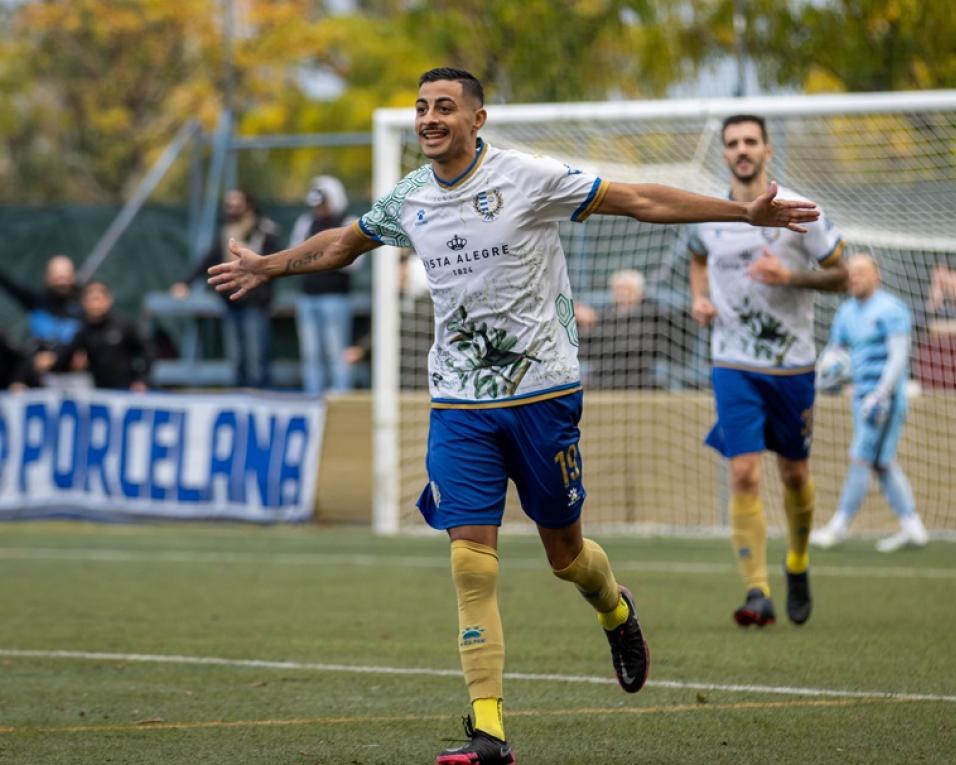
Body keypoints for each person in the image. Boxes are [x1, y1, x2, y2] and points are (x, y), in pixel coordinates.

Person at [208, 69, 820, 765]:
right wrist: (269, 265)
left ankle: (615, 609)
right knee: (471, 563)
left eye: (445, 107)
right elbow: (344, 244)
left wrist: (742, 213)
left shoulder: (528, 176)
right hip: (460, 403)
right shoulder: (410, 198)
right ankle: (489, 731)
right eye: (421, 108)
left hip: (543, 395)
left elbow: (641, 198)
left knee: (567, 557)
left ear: (478, 118)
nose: (429, 118)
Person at [688, 114, 847, 629]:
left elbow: (843, 276)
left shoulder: (803, 209)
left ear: (767, 149)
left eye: (750, 141)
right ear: (725, 153)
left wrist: (792, 276)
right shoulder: (711, 215)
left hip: (793, 366)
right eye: (732, 143)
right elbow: (697, 258)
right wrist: (700, 298)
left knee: (794, 472)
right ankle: (757, 590)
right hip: (733, 363)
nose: (741, 150)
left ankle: (797, 561)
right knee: (743, 471)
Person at [811, 253, 929, 553]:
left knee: (861, 458)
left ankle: (838, 527)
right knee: (882, 463)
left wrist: (881, 393)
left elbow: (899, 357)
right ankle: (913, 527)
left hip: (885, 400)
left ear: (877, 275)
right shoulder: (846, 313)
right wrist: (825, 374)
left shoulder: (891, 309)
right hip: (860, 398)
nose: (855, 277)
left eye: (861, 272)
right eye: (851, 272)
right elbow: (836, 352)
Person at [171, 189, 279, 388]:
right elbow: (208, 260)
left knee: (257, 357)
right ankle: (240, 397)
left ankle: (261, 398)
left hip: (255, 302)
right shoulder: (226, 232)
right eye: (228, 205)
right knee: (236, 357)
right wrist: (185, 282)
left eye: (236, 204)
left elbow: (275, 262)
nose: (231, 209)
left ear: (249, 205)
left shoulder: (265, 230)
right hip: (232, 302)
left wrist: (263, 294)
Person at [290, 175, 357, 395]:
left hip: (335, 297)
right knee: (310, 353)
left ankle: (341, 396)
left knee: (336, 352)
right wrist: (326, 255)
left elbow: (352, 263)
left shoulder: (349, 222)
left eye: (323, 204)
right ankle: (313, 397)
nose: (319, 209)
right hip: (308, 296)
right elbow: (294, 256)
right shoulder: (306, 222)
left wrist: (314, 256)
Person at [41, 280, 151, 391]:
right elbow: (64, 357)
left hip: (126, 393)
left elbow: (147, 351)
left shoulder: (124, 326)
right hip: (98, 395)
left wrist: (141, 380)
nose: (94, 305)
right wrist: (51, 360)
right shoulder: (83, 331)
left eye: (97, 299)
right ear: (83, 303)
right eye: (89, 300)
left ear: (108, 300)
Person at [0, 254, 83, 387]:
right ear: (47, 278)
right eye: (57, 277)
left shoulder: (84, 305)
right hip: (39, 377)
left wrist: (61, 356)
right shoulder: (37, 302)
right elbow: (10, 285)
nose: (61, 282)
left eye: (65, 277)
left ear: (73, 276)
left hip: (77, 376)